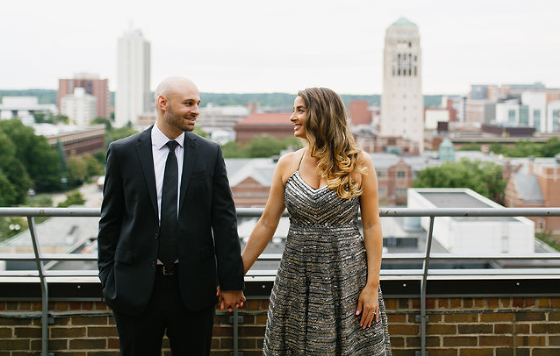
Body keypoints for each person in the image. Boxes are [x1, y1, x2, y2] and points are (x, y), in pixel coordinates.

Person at [98, 76, 245, 356]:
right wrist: (108, 278)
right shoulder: (123, 152)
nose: (196, 110)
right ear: (163, 103)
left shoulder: (209, 153)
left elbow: (224, 221)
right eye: (188, 103)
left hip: (194, 288)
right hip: (135, 286)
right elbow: (110, 221)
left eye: (198, 104)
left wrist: (231, 283)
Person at [242, 87, 392, 355]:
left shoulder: (359, 163)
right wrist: (234, 274)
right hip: (297, 279)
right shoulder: (286, 164)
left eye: (300, 110)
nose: (292, 117)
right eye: (293, 110)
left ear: (322, 114)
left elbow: (371, 226)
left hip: (347, 279)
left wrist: (372, 286)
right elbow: (266, 223)